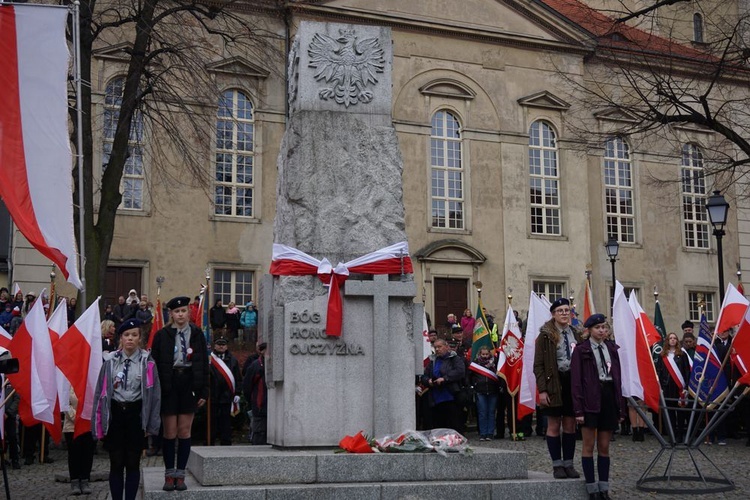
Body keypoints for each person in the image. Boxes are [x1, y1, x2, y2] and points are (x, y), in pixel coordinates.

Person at [92, 318, 161, 500]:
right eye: (126, 335)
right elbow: (100, 392)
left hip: (136, 414)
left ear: (140, 338)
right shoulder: (110, 361)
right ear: (120, 339)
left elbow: (154, 396)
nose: (130, 338)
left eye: (134, 335)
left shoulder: (148, 363)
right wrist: (98, 422)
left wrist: (151, 425)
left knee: (132, 462)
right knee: (116, 462)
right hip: (115, 414)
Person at [150, 296, 208, 492]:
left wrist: (203, 390)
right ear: (171, 314)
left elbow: (203, 363)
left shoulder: (198, 334)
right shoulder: (162, 335)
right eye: (177, 312)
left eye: (183, 311)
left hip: (189, 383)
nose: (180, 315)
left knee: (184, 431)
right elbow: (154, 364)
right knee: (170, 432)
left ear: (189, 313)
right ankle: (169, 474)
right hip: (169, 383)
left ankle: (180, 475)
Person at [571, 314, 625, 500]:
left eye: (604, 327)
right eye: (597, 327)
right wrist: (578, 409)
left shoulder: (612, 348)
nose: (601, 330)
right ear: (589, 330)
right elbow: (576, 381)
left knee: (604, 446)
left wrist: (620, 406)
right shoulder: (581, 350)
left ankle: (604, 487)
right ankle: (592, 488)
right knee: (588, 445)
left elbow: (618, 378)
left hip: (608, 397)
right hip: (590, 399)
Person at [533, 297, 581, 479]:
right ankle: (557, 465)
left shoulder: (576, 333)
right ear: (553, 314)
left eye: (566, 311)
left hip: (572, 382)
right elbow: (538, 365)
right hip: (553, 382)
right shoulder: (545, 335)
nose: (564, 314)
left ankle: (568, 463)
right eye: (560, 311)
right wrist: (543, 390)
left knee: (570, 424)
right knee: (554, 424)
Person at [421, 339, 466, 433]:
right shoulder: (433, 360)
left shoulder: (454, 358)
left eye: (440, 347)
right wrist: (428, 381)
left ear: (446, 347)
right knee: (439, 424)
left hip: (451, 396)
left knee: (454, 423)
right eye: (435, 347)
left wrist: (445, 378)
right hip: (436, 397)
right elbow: (424, 375)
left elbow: (459, 372)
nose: (437, 349)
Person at [656, 332, 690, 442]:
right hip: (667, 388)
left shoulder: (682, 355)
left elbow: (686, 371)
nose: (672, 340)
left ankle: (680, 434)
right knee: (670, 413)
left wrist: (686, 387)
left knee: (680, 412)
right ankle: (672, 434)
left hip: (679, 388)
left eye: (674, 338)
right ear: (667, 340)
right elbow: (659, 372)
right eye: (670, 338)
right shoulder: (662, 355)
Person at [209, 337, 241, 445]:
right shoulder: (209, 359)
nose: (221, 346)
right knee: (212, 421)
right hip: (212, 395)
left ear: (226, 346)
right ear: (215, 346)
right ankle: (210, 441)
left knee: (226, 421)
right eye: (219, 344)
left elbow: (237, 378)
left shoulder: (233, 360)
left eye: (223, 344)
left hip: (227, 396)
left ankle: (226, 442)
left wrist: (237, 393)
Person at [64, 387, 95, 495]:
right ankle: (75, 481)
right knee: (74, 455)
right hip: (72, 426)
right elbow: (65, 404)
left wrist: (86, 417)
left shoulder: (90, 382)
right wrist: (77, 417)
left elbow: (93, 402)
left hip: (87, 425)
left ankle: (85, 480)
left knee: (87, 454)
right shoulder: (68, 385)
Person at [469, 346, 500, 440]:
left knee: (491, 412)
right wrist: (474, 384)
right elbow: (470, 376)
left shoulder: (494, 363)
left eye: (487, 354)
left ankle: (490, 433)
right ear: (480, 354)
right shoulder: (475, 364)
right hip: (480, 391)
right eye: (483, 354)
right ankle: (483, 433)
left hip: (493, 390)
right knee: (482, 413)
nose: (485, 356)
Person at [243, 342, 267, 445]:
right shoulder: (255, 365)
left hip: (273, 408)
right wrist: (253, 402)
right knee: (259, 436)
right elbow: (247, 387)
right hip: (260, 407)